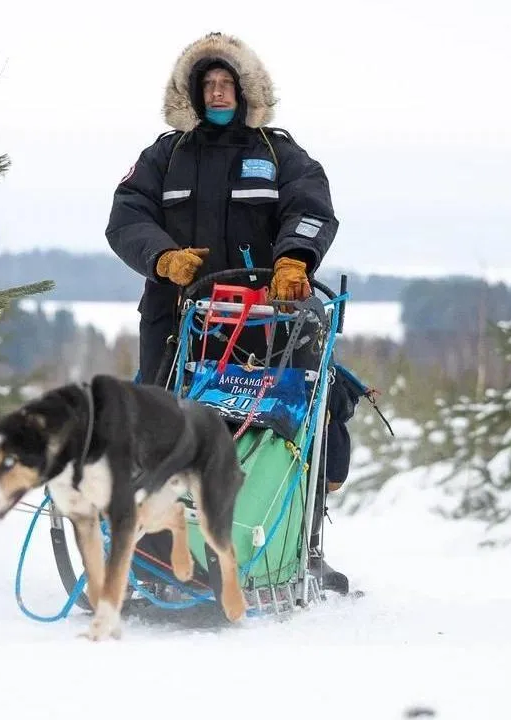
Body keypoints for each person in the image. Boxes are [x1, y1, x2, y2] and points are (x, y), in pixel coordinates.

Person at [105, 31, 355, 594]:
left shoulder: (279, 153)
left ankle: (298, 548)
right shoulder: (162, 157)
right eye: (207, 84)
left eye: (227, 83)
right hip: (179, 324)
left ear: (246, 90)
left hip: (269, 324)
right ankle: (156, 561)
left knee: (294, 427)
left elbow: (311, 207)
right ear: (191, 93)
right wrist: (163, 258)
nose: (217, 93)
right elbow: (125, 219)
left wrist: (294, 260)